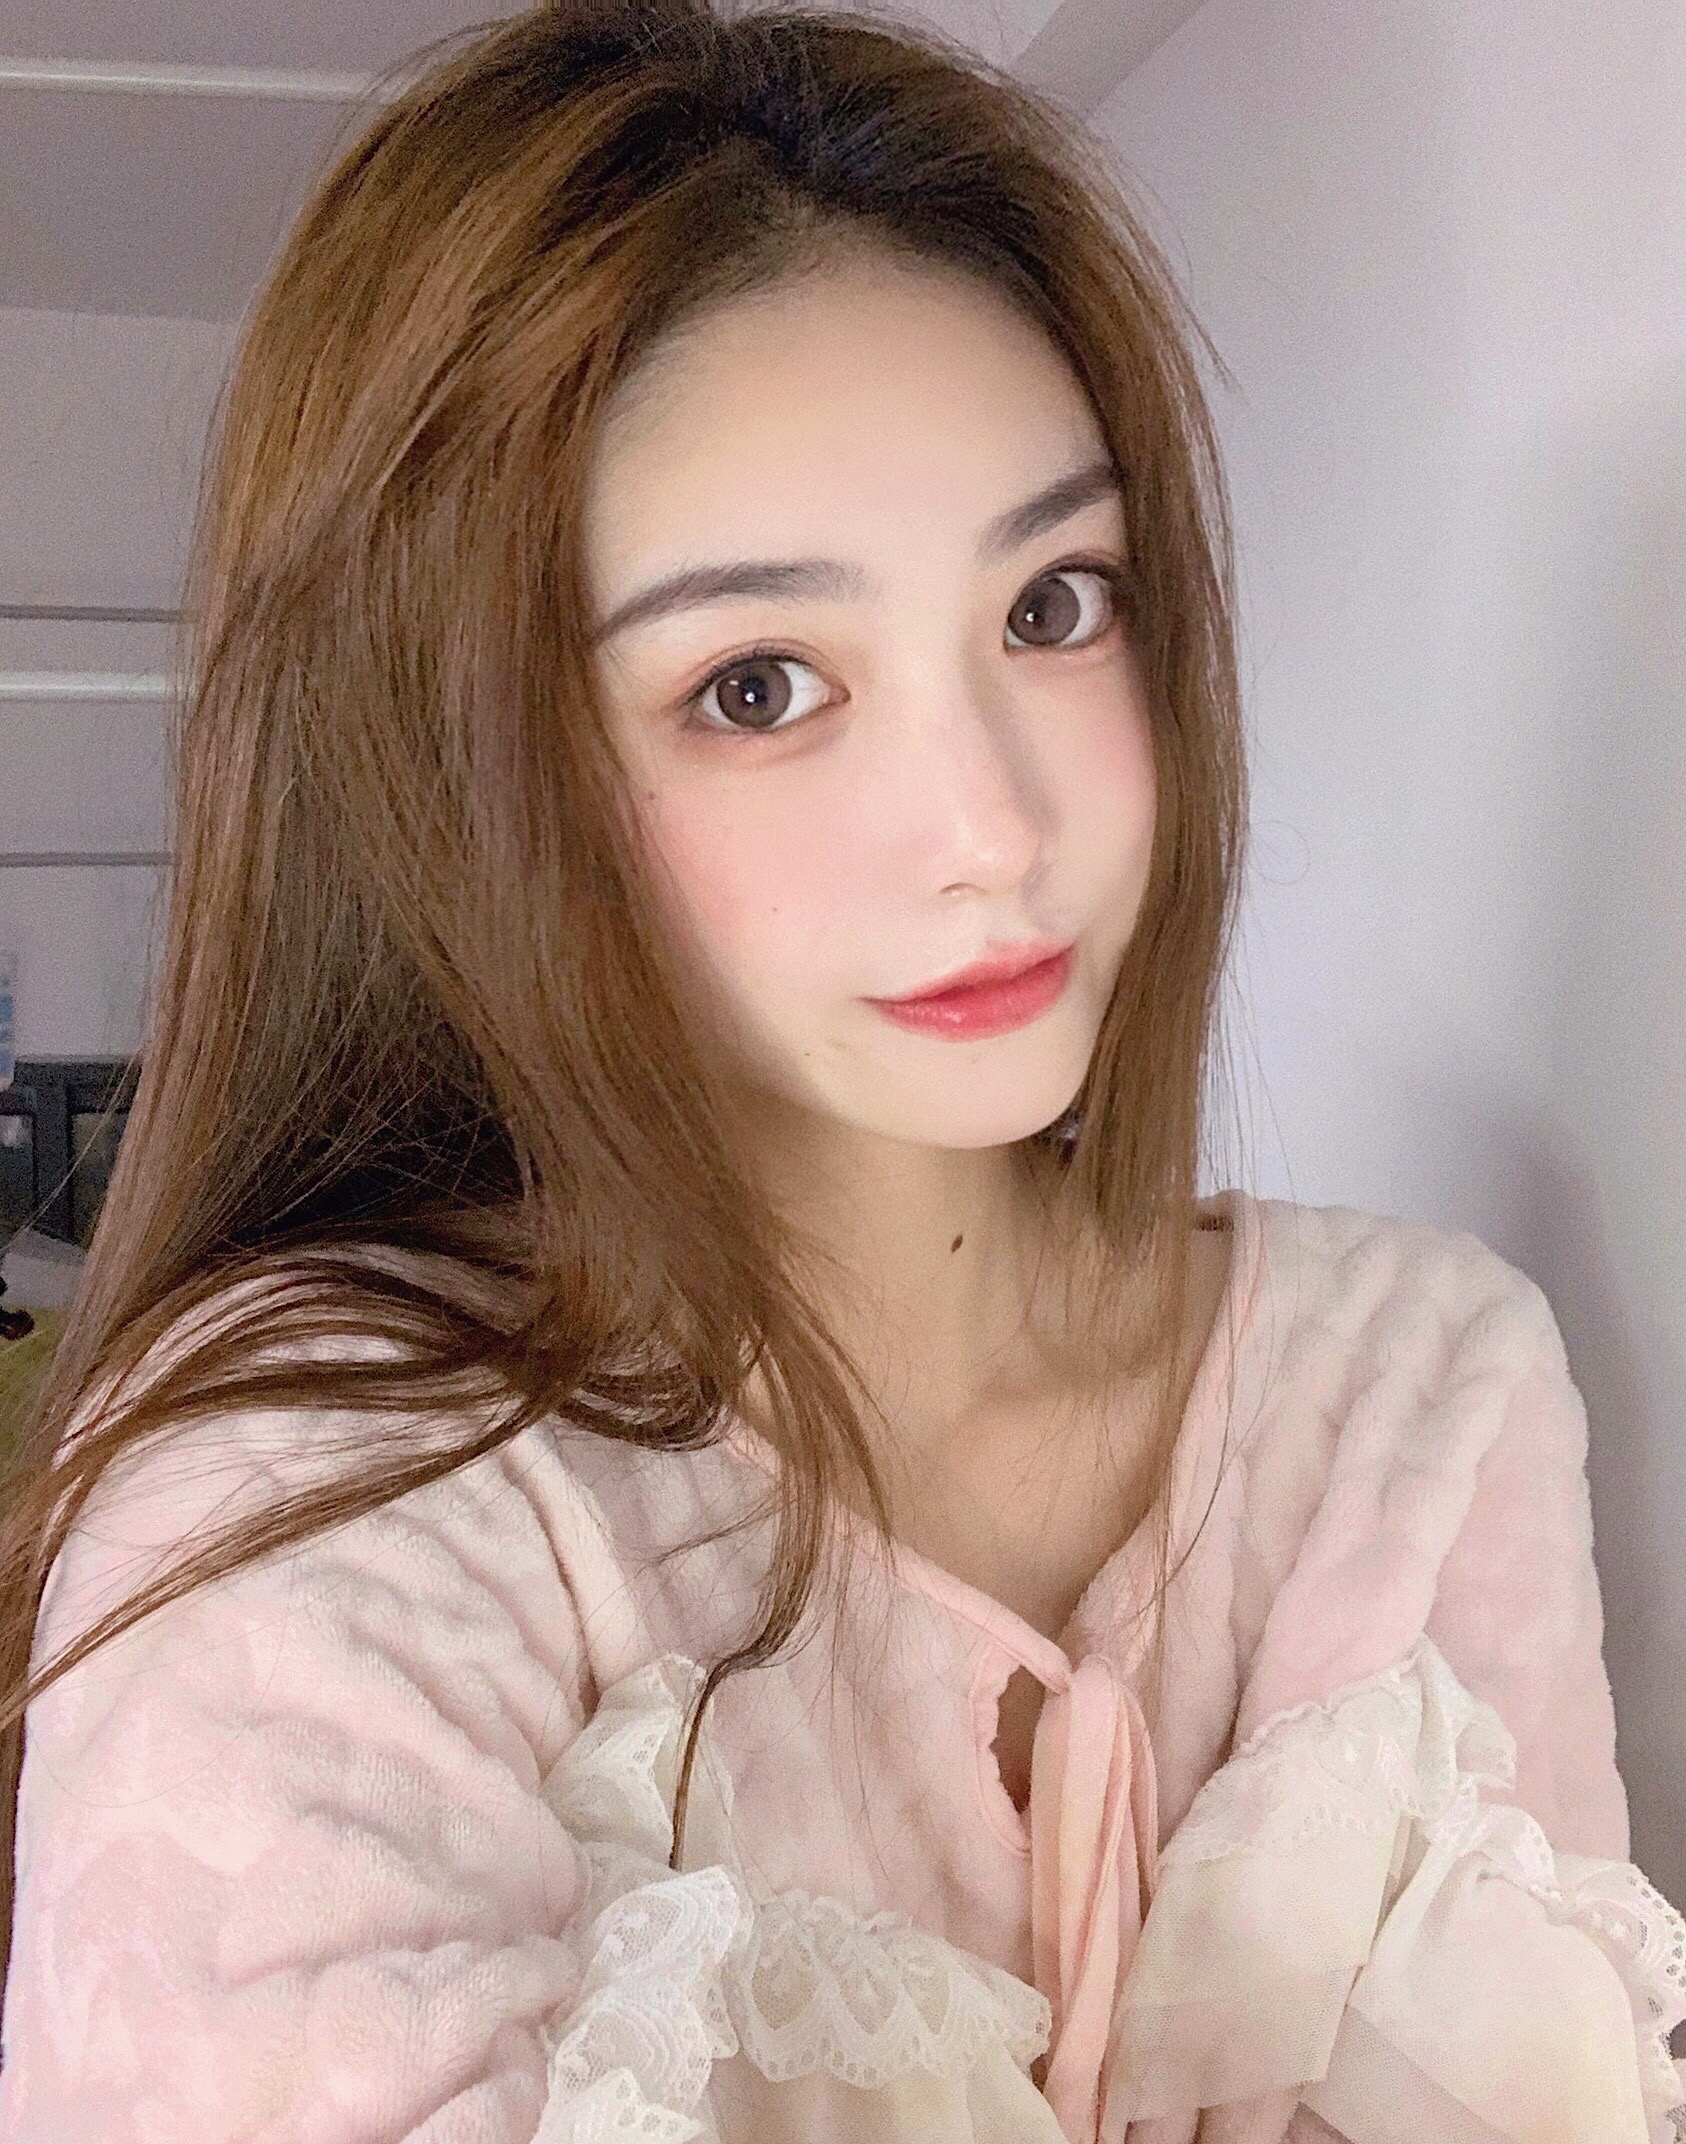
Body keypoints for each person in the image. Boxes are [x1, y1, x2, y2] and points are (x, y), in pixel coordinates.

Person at [0, 3, 1679, 2138]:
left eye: (1054, 605)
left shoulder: (1415, 1389)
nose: (993, 826)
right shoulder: (323, 1482)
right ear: (468, 786)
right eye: (760, 685)